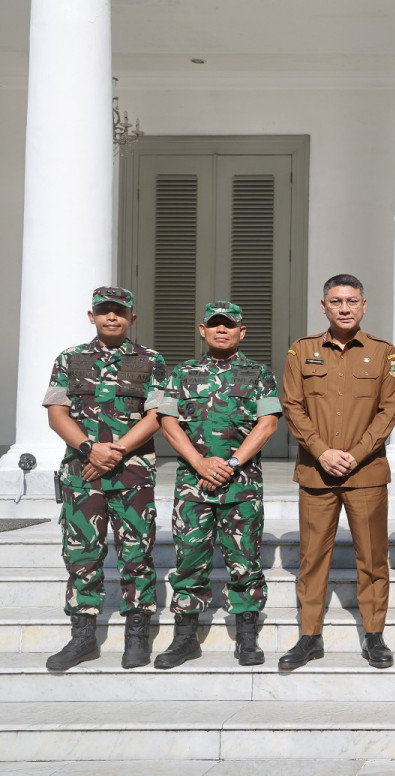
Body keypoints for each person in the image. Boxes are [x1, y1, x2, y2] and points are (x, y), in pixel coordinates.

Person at [279, 274, 395, 670]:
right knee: (313, 557)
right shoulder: (301, 351)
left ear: (364, 306)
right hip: (317, 473)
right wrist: (322, 452)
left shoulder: (384, 353)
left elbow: (389, 411)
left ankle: (374, 635)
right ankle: (309, 636)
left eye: (352, 301)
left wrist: (354, 453)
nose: (345, 308)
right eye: (336, 302)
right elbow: (292, 406)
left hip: (365, 473)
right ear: (324, 307)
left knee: (372, 558)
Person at [43, 286, 168, 671]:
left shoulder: (150, 360)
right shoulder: (70, 359)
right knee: (82, 556)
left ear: (132, 317)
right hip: (83, 475)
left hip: (132, 475)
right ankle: (83, 638)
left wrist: (114, 451)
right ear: (91, 316)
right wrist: (88, 449)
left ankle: (136, 636)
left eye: (119, 311)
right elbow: (57, 412)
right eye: (104, 311)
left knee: (136, 556)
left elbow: (157, 415)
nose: (111, 317)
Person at [153, 301, 282, 669]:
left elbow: (268, 424)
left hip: (241, 485)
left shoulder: (259, 374)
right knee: (189, 560)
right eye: (215, 325)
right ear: (202, 330)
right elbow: (167, 422)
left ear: (242, 332)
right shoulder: (180, 373)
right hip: (193, 486)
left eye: (229, 325)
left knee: (245, 561)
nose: (221, 330)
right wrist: (199, 462)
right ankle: (184, 638)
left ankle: (246, 636)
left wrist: (231, 463)